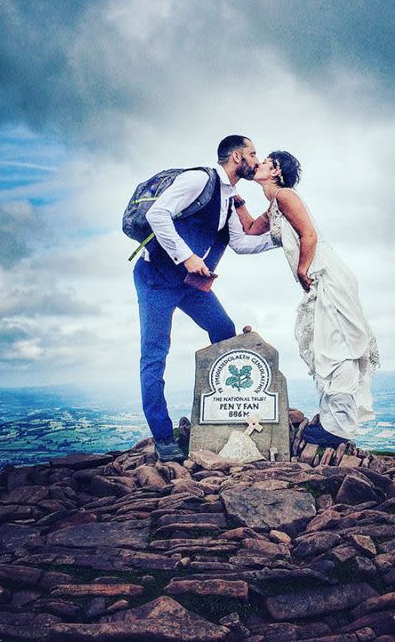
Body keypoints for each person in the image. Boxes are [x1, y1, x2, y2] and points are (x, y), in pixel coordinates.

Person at [134, 135, 275, 462]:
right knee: (155, 353)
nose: (257, 159)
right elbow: (159, 214)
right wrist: (186, 257)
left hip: (190, 283)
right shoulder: (200, 179)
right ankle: (164, 437)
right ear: (237, 156)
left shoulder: (230, 198)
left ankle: (219, 409)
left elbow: (241, 244)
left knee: (223, 329)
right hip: (155, 279)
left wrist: (281, 239)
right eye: (253, 153)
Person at [235, 151, 379, 446]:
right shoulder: (275, 205)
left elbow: (308, 235)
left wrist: (302, 269)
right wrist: (234, 196)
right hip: (316, 280)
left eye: (263, 162)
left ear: (275, 171)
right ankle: (332, 422)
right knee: (324, 346)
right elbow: (249, 228)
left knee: (337, 347)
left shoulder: (287, 196)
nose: (257, 164)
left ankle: (338, 429)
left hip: (326, 276)